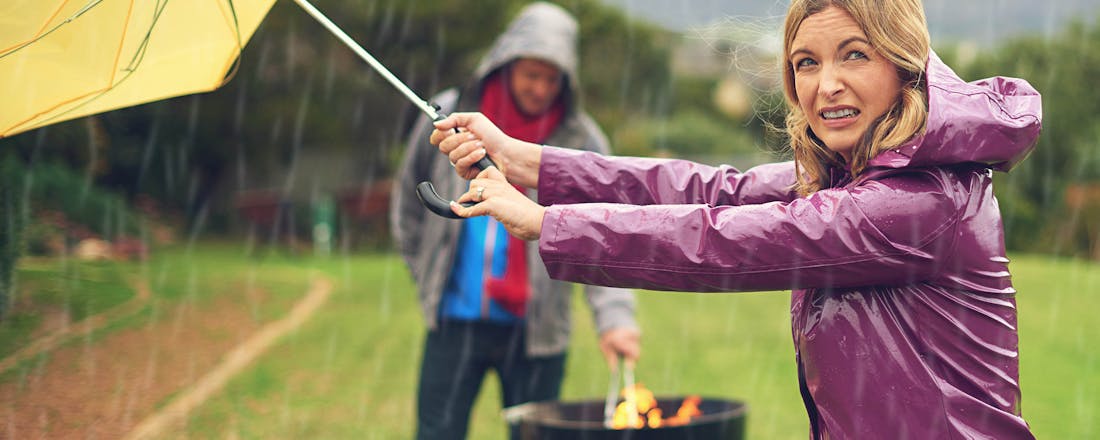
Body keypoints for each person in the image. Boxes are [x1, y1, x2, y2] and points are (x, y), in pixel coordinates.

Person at [430, 0, 1042, 438]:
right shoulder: (852, 177)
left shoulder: (921, 200)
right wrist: (528, 160)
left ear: (905, 65)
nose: (826, 84)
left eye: (854, 55)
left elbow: (723, 241)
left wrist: (547, 223)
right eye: (806, 63)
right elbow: (710, 189)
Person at [390, 3, 641, 439]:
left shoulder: (581, 140)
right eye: (531, 74)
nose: (541, 88)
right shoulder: (450, 115)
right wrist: (426, 275)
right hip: (453, 320)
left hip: (537, 334)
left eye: (552, 79)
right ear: (505, 64)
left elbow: (605, 234)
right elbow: (407, 202)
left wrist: (615, 319)